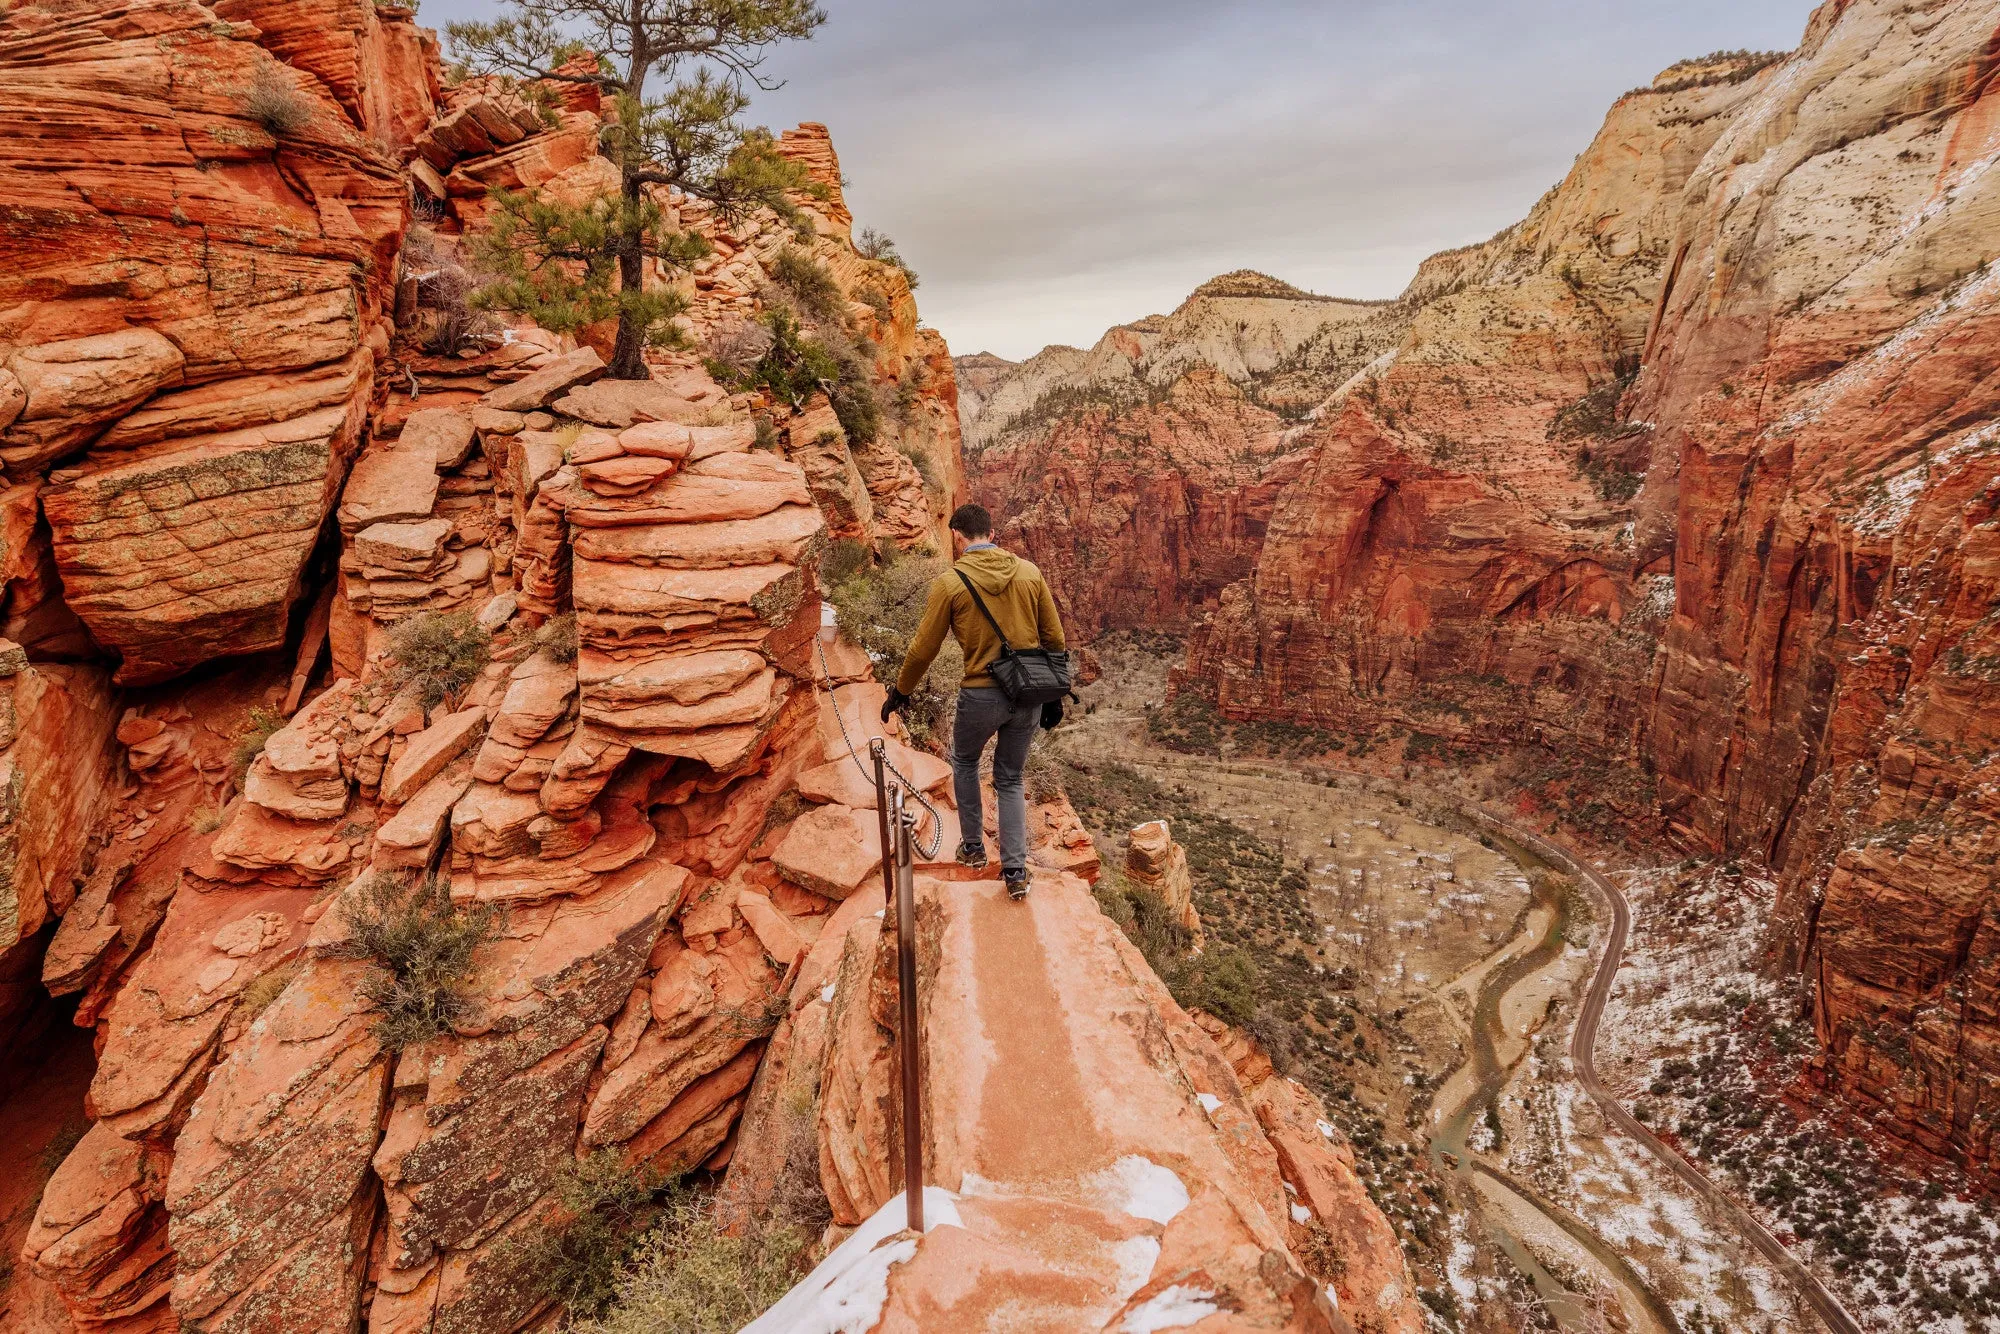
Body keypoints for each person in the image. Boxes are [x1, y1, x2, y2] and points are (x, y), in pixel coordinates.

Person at [882, 504, 1066, 900]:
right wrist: (1054, 696)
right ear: (992, 532)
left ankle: (974, 849)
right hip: (1028, 692)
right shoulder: (1029, 573)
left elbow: (922, 650)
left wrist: (901, 691)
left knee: (964, 761)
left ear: (957, 537)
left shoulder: (951, 583)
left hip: (981, 694)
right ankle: (1016, 870)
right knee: (1011, 777)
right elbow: (1054, 638)